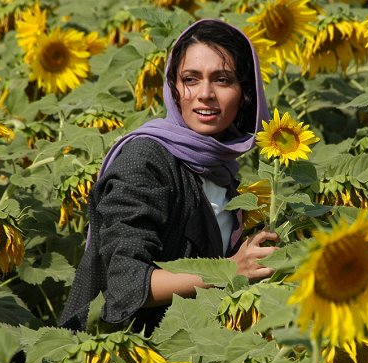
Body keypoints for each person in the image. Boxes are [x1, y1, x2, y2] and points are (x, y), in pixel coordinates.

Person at [59, 19, 278, 334]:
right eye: (191, 79)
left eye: (223, 79)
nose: (205, 94)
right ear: (174, 88)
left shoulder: (219, 167)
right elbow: (126, 285)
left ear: (246, 93)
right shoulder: (146, 160)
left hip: (188, 354)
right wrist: (230, 270)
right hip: (119, 359)